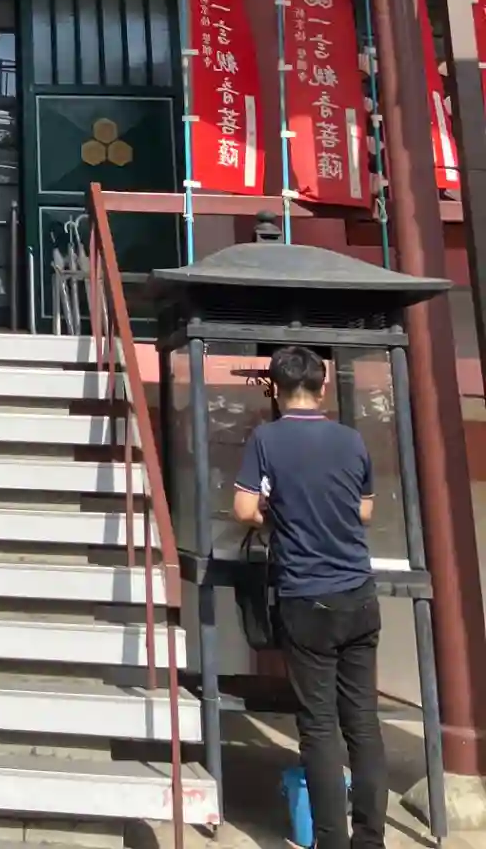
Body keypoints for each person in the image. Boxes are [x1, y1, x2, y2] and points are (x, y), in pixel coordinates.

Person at [234, 345, 386, 849]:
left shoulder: (266, 438)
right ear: (323, 389)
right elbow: (365, 512)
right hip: (360, 596)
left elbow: (243, 509)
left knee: (319, 728)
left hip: (307, 599)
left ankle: (331, 841)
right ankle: (370, 839)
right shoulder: (351, 439)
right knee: (362, 722)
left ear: (276, 391)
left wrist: (279, 515)